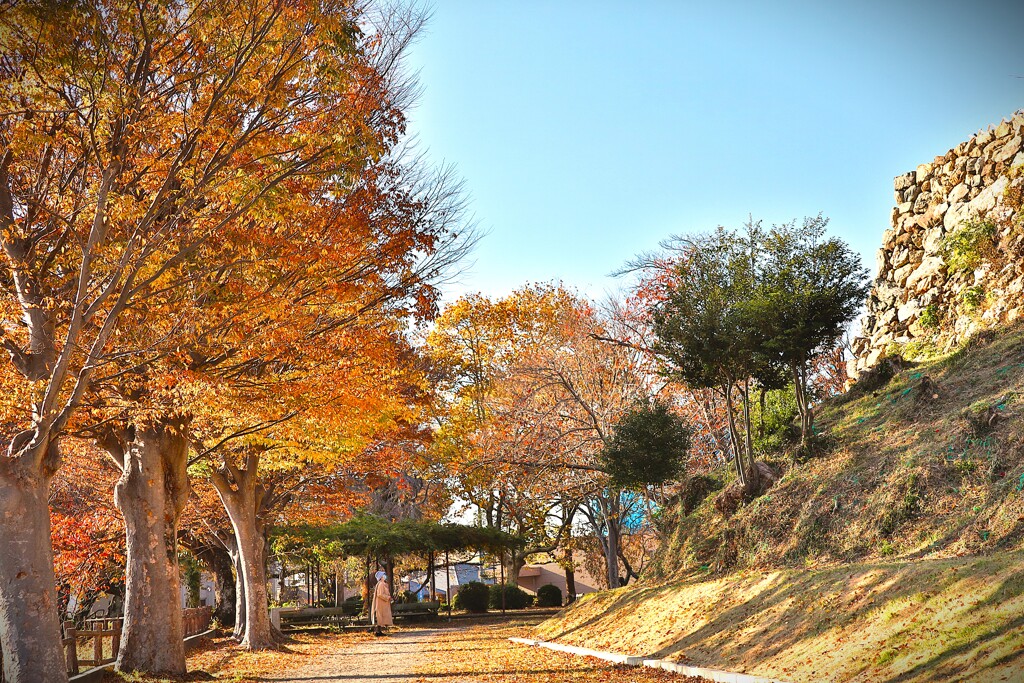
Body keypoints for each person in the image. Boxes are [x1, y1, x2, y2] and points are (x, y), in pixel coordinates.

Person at [370, 570, 393, 636]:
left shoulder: (382, 584)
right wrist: (388, 597)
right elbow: (380, 594)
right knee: (380, 617)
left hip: (382, 603)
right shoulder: (381, 584)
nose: (385, 576)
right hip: (381, 603)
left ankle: (379, 631)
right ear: (381, 577)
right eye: (383, 575)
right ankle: (378, 631)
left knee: (381, 617)